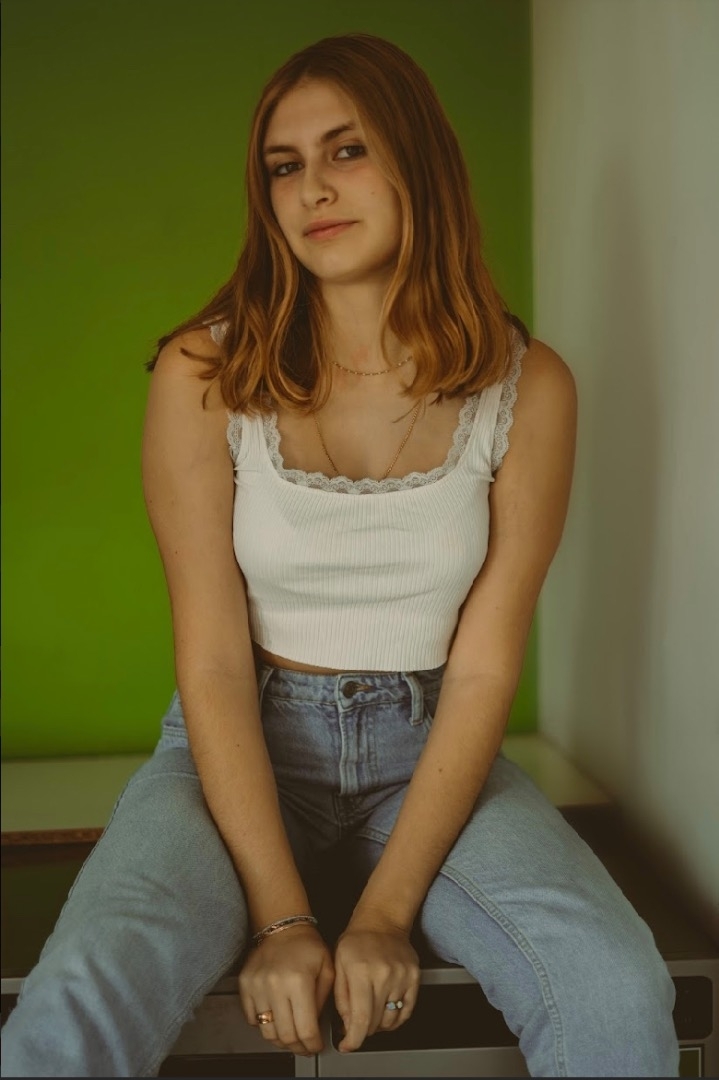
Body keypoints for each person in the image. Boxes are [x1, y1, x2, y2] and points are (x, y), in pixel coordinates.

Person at [2, 31, 678, 1078]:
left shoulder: (528, 386)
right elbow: (213, 660)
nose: (311, 187)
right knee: (83, 990)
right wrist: (283, 923)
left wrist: (383, 915)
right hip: (236, 746)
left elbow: (484, 665)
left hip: (432, 751)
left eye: (346, 150)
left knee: (614, 985)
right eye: (284, 166)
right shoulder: (202, 373)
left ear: (419, 162)